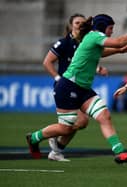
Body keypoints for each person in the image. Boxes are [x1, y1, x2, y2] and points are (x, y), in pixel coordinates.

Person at [26, 14, 127, 163]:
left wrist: (118, 51)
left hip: (83, 89)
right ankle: (34, 138)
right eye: (110, 28)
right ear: (102, 27)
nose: (112, 31)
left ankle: (119, 153)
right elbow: (119, 42)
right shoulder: (94, 35)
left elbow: (101, 51)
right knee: (66, 129)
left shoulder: (91, 38)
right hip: (68, 87)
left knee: (104, 116)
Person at [43, 13, 109, 161]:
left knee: (80, 122)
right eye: (77, 22)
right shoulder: (63, 43)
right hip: (65, 87)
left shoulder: (85, 41)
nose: (80, 24)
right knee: (79, 121)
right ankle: (48, 138)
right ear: (71, 25)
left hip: (79, 87)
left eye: (82, 22)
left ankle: (56, 150)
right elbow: (47, 62)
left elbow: (86, 61)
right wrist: (58, 78)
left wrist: (98, 69)